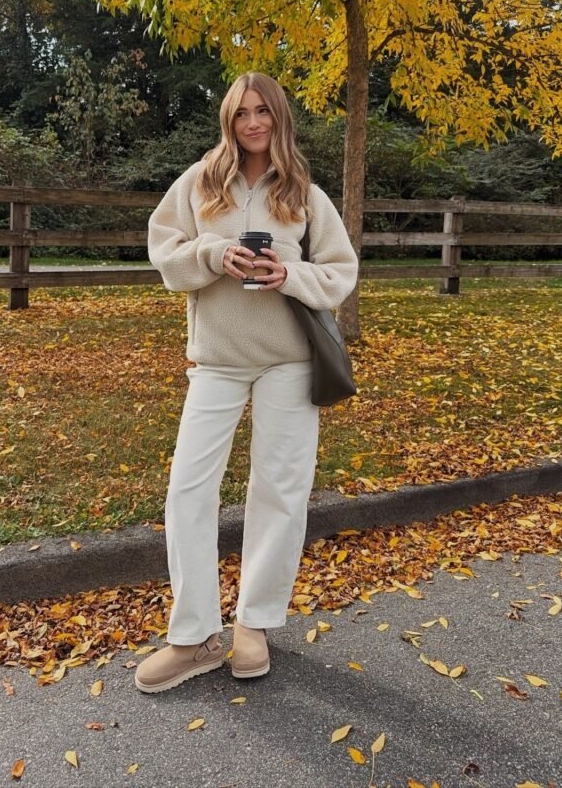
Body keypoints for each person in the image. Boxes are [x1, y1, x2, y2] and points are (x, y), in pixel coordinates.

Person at [135, 71, 358, 693]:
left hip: (289, 362)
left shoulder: (305, 192)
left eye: (263, 112)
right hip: (218, 361)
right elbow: (165, 254)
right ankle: (194, 635)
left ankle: (253, 625)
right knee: (188, 490)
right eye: (242, 113)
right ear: (229, 120)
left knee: (280, 492)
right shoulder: (201, 180)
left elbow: (340, 274)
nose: (253, 123)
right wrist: (215, 254)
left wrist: (286, 272)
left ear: (278, 118)